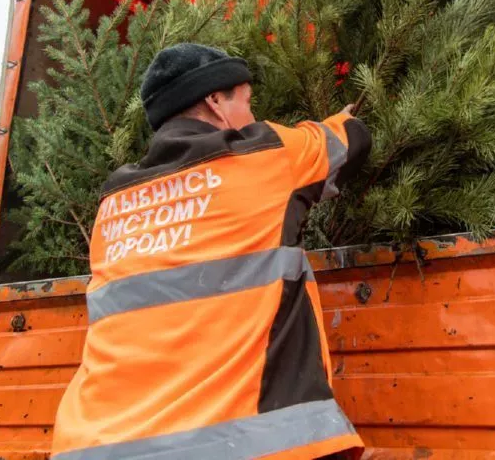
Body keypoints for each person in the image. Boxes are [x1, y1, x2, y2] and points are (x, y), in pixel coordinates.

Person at [51, 43, 371, 460]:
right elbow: (346, 142)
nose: (252, 116)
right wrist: (346, 118)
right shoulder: (264, 154)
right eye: (247, 102)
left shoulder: (115, 199)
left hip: (94, 445)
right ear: (216, 101)